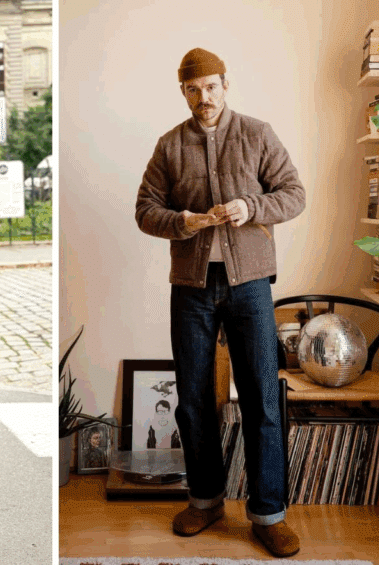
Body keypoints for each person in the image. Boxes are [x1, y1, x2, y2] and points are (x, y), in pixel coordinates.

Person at [135, 48, 305, 558]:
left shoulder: (257, 133)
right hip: (191, 286)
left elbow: (294, 194)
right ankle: (205, 500)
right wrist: (182, 222)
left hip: (251, 282)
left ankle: (268, 513)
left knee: (261, 398)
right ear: (183, 92)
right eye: (193, 89)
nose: (203, 97)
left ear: (225, 85)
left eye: (211, 87)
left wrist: (251, 206)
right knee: (191, 397)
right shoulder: (169, 146)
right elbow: (145, 210)